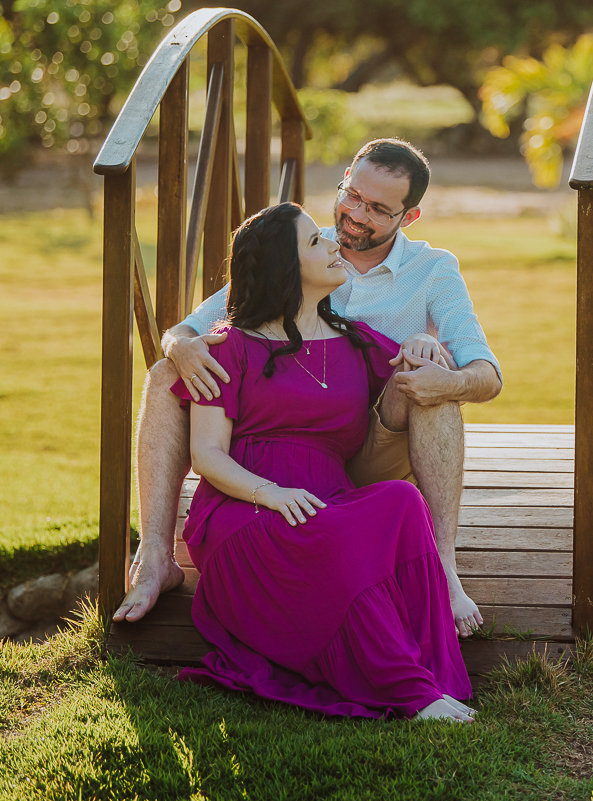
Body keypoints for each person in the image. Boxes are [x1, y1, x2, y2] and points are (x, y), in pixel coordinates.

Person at [116, 140, 502, 638]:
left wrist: (441, 370)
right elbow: (187, 328)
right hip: (280, 441)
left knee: (432, 389)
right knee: (166, 374)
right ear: (344, 178)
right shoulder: (301, 247)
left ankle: (443, 568)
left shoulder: (433, 270)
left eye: (379, 209)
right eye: (352, 195)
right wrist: (180, 346)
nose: (356, 215)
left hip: (367, 441)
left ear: (410, 217)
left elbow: (487, 375)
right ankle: (154, 555)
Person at [174, 201, 473, 721]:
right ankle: (407, 690)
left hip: (325, 499)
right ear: (284, 268)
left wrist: (424, 342)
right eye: (315, 242)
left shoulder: (357, 342)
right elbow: (206, 455)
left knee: (401, 500)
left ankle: (423, 667)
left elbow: (411, 365)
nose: (333, 243)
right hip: (246, 505)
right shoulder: (230, 348)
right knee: (328, 536)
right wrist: (272, 493)